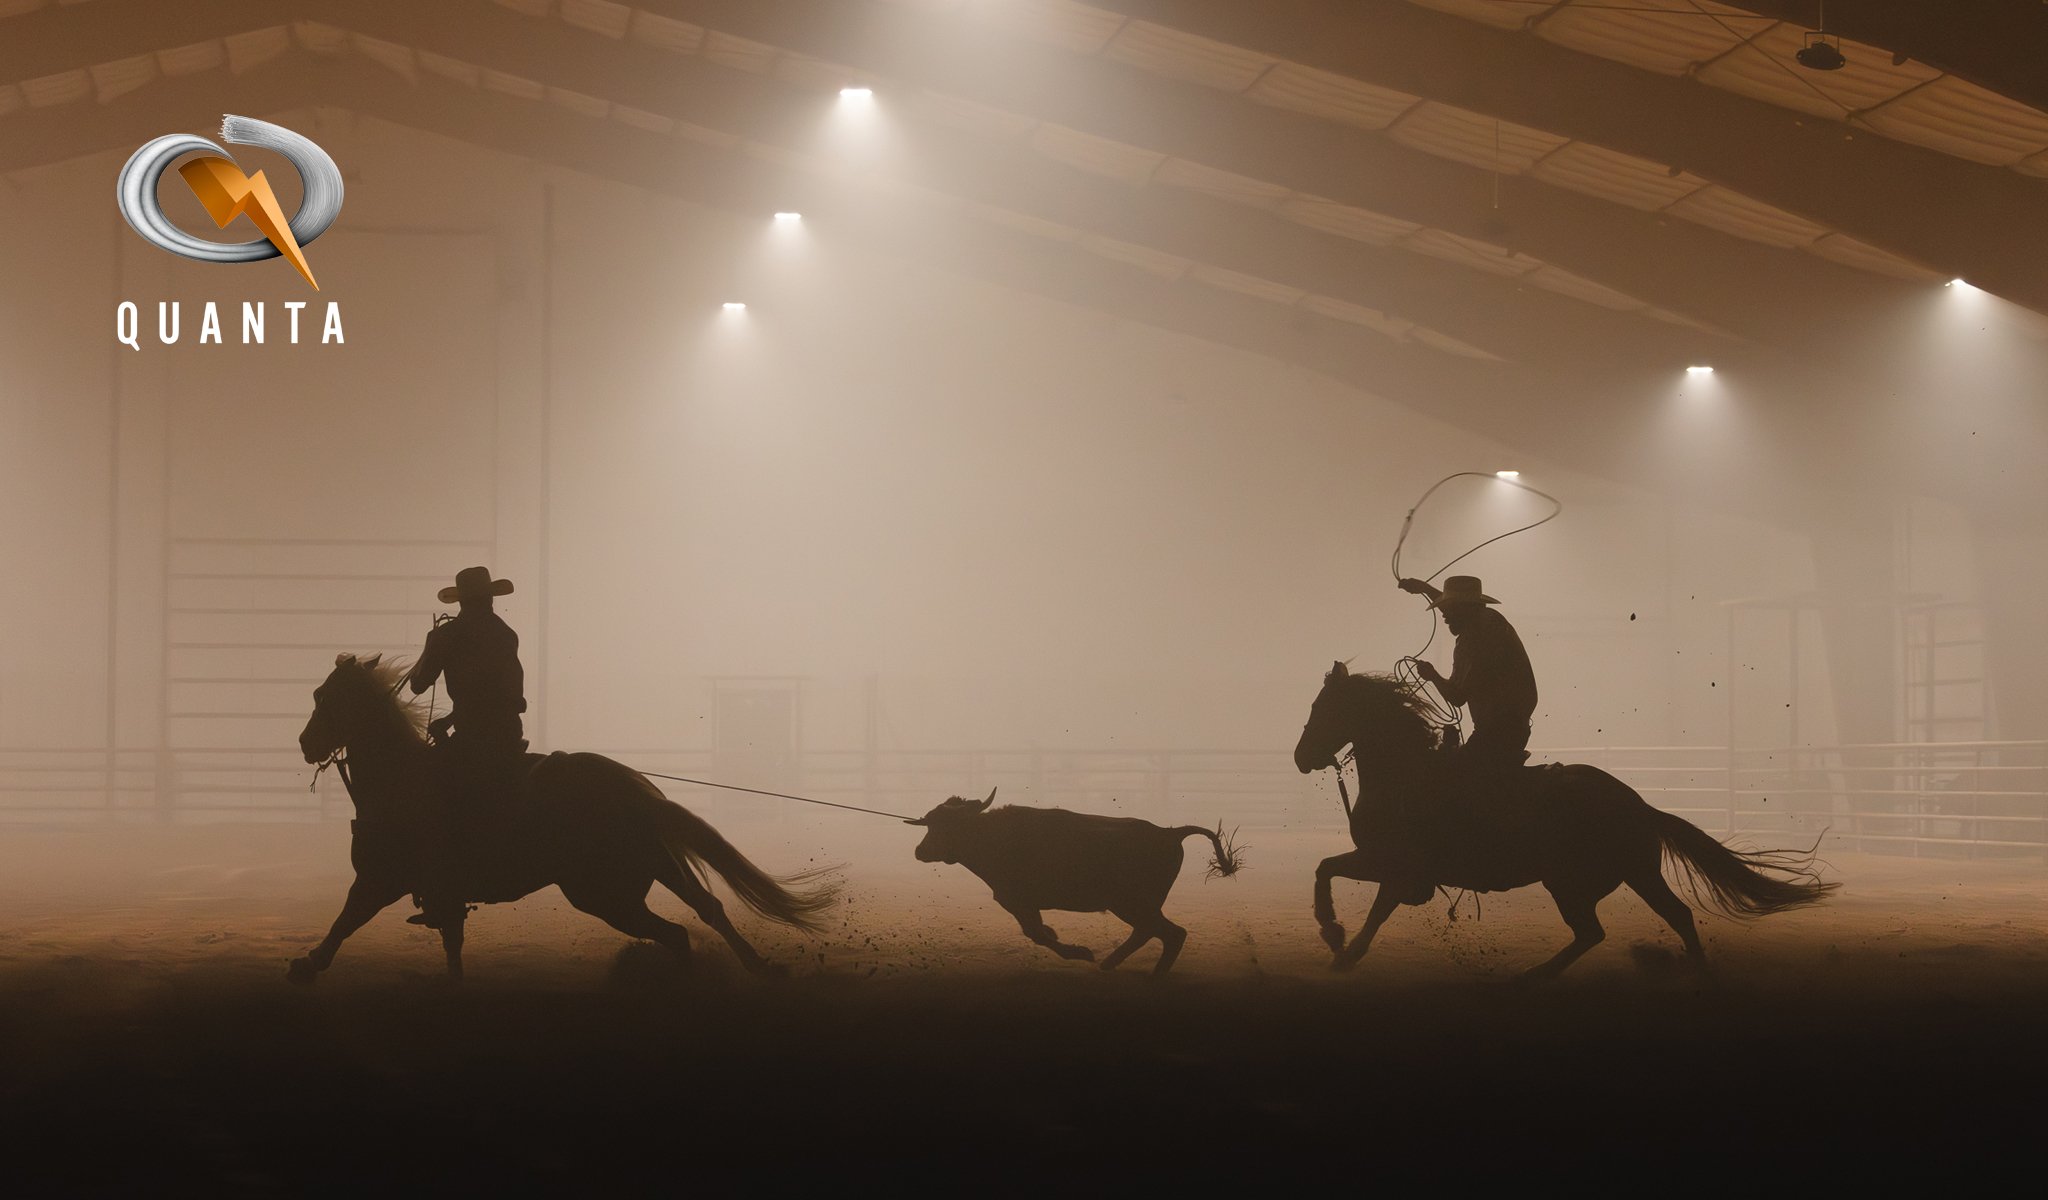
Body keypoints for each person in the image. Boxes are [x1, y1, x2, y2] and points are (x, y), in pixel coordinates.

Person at [404, 566, 530, 927]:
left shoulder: (450, 635)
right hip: (506, 733)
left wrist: (432, 644)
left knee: (429, 794)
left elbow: (417, 685)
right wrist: (454, 718)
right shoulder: (505, 634)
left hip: (474, 738)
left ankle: (444, 885)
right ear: (489, 598)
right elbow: (500, 694)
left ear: (462, 601)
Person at [1396, 575, 1538, 770]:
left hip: (1496, 734)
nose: (1444, 615)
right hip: (1514, 729)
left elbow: (1457, 696)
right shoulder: (1491, 620)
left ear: (1464, 608)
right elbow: (1456, 610)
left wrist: (1431, 675)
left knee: (1450, 779)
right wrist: (1425, 588)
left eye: (1449, 608)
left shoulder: (1472, 639)